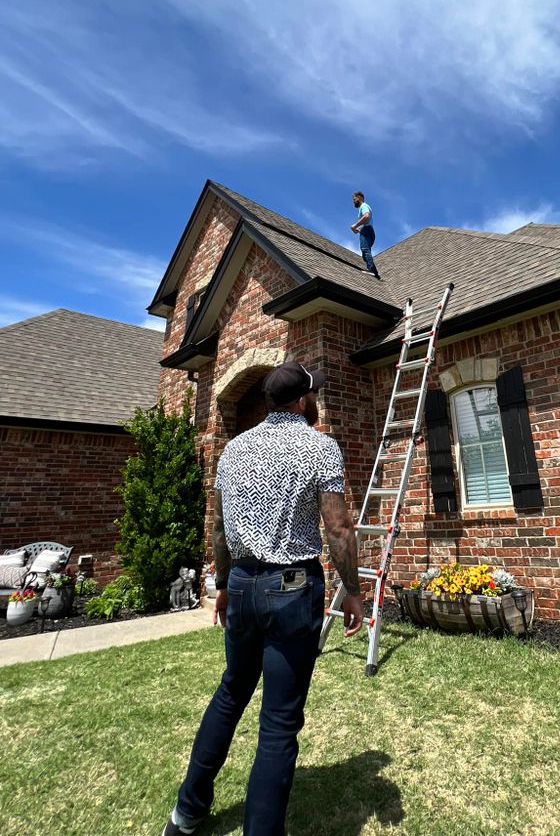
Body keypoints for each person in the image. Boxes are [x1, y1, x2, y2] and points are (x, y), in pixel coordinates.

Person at [163, 361, 364, 836]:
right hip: (291, 589)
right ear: (300, 401)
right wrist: (352, 590)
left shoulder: (233, 450)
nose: (314, 401)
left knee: (232, 691)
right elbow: (337, 528)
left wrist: (226, 587)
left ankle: (186, 815)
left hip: (244, 583)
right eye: (312, 395)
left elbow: (218, 528)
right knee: (277, 721)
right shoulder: (320, 447)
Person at [351, 191, 380, 279]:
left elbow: (366, 216)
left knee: (365, 249)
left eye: (354, 199)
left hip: (367, 230)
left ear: (360, 197)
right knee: (365, 254)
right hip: (368, 231)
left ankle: (371, 270)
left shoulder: (363, 206)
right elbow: (367, 220)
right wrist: (359, 229)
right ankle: (376, 274)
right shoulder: (365, 207)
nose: (353, 201)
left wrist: (355, 226)